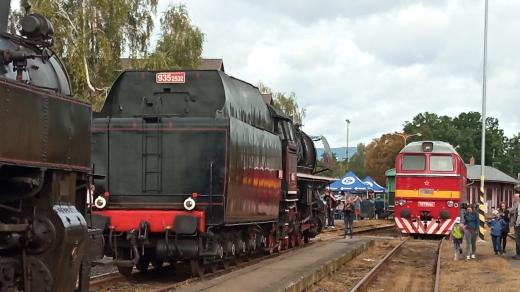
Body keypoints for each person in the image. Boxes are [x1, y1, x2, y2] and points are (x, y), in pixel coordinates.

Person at [513, 193, 520, 260]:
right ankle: (517, 254)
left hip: (518, 225)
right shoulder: (516, 204)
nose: (514, 199)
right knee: (517, 240)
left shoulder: (517, 204)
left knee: (518, 240)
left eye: (515, 197)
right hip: (517, 224)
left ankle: (518, 255)